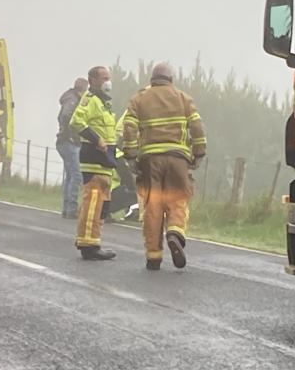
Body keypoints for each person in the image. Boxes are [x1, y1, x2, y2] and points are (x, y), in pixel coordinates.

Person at [122, 63, 206, 270]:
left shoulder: (139, 98)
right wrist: (199, 152)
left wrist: (131, 156)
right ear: (170, 79)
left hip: (150, 161)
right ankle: (175, 232)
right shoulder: (182, 98)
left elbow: (129, 127)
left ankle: (154, 256)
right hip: (178, 159)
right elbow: (197, 126)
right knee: (178, 200)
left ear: (152, 79)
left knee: (153, 206)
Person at [69, 66, 118, 261]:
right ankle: (88, 245)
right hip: (94, 160)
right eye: (104, 78)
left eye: (109, 77)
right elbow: (76, 121)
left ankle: (94, 241)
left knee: (102, 206)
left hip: (105, 162)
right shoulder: (90, 100)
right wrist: (96, 139)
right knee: (93, 203)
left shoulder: (103, 103)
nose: (108, 81)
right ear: (93, 81)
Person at [56, 78, 88, 219]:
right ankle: (71, 208)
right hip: (69, 142)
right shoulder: (73, 99)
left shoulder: (69, 97)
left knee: (70, 174)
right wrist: (72, 132)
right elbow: (66, 115)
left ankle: (66, 207)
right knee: (76, 175)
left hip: (65, 141)